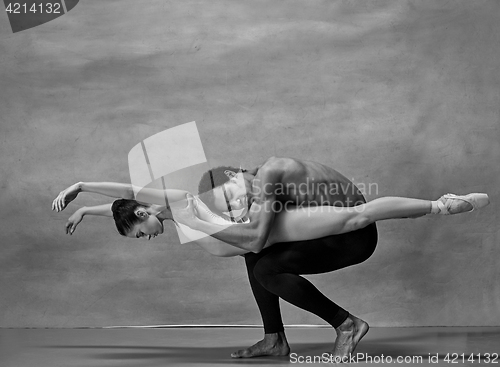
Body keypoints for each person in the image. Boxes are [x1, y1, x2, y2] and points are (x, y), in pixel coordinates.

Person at [52, 157, 489, 360]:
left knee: (350, 218)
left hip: (267, 228)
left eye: (138, 233)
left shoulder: (180, 205)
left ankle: (439, 205)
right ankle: (275, 339)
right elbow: (123, 198)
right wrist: (84, 196)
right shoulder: (171, 206)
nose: (145, 239)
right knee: (256, 262)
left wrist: (86, 187)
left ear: (145, 215)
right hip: (252, 233)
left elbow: (249, 232)